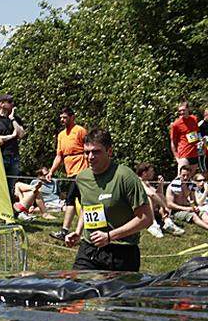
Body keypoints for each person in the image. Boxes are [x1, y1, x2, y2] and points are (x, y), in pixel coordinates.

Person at [63, 128, 152, 272]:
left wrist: (110, 236)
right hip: (89, 249)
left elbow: (146, 218)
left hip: (121, 251)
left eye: (96, 152)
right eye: (86, 152)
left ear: (109, 151)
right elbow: (87, 207)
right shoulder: (81, 178)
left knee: (116, 295)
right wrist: (78, 232)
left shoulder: (125, 176)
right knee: (77, 290)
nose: (90, 157)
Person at [45, 107, 88, 241]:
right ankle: (85, 230)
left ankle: (65, 230)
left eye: (65, 117)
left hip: (82, 169)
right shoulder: (61, 135)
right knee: (82, 201)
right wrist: (51, 171)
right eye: (61, 118)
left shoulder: (80, 131)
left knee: (70, 198)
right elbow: (59, 156)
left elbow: (88, 149)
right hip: (70, 170)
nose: (62, 120)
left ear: (72, 117)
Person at [134, 162, 183, 238]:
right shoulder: (138, 181)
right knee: (148, 197)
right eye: (151, 171)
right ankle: (152, 224)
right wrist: (165, 207)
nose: (153, 173)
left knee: (159, 195)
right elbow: (151, 194)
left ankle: (167, 221)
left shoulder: (147, 182)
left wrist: (160, 184)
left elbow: (158, 194)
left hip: (149, 209)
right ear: (144, 173)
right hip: (136, 211)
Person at [0, 94, 27, 188]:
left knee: (11, 185)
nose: (13, 104)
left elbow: (21, 134)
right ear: (1, 104)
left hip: (14, 157)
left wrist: (12, 119)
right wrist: (11, 136)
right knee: (0, 184)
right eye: (9, 102)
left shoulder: (15, 118)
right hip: (1, 156)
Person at [165, 163, 208, 232]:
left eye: (187, 175)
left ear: (190, 175)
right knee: (193, 216)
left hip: (188, 207)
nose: (185, 177)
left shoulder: (191, 185)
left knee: (203, 213)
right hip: (176, 211)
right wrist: (187, 208)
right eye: (183, 175)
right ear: (179, 174)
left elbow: (193, 200)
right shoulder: (172, 186)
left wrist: (194, 207)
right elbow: (169, 204)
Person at [169, 101, 201, 176]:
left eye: (183, 110)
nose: (182, 112)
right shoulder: (176, 124)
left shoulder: (194, 119)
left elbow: (197, 133)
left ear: (188, 109)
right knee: (181, 178)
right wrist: (176, 157)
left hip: (195, 154)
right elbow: (173, 142)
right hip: (183, 154)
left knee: (190, 179)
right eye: (180, 111)